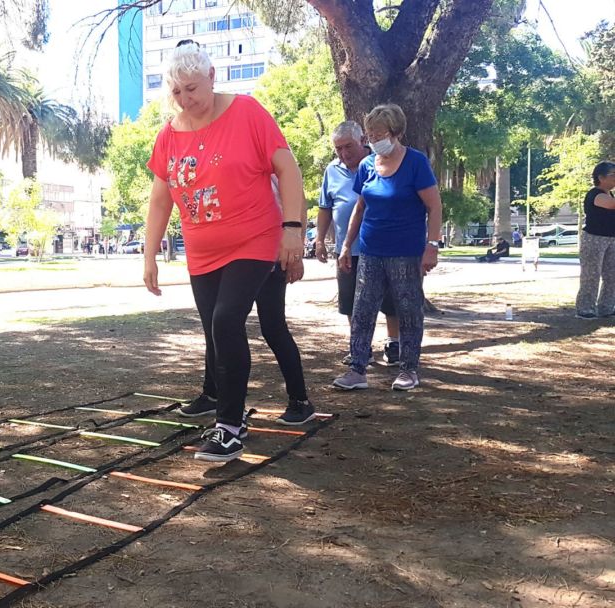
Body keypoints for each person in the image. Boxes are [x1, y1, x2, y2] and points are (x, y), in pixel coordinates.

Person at [143, 41, 312, 463]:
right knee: (215, 334)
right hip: (202, 250)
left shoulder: (248, 112)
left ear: (212, 77)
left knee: (227, 320)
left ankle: (229, 428)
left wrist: (293, 230)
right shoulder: (169, 133)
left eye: (192, 89)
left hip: (254, 239)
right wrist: (149, 255)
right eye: (176, 92)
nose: (185, 99)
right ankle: (225, 413)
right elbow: (161, 199)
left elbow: (287, 168)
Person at [332, 104, 443, 392]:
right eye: (369, 134)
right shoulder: (368, 165)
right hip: (370, 250)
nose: (373, 139)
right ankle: (357, 369)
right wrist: (346, 245)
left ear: (396, 133)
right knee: (362, 309)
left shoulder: (415, 163)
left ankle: (408, 369)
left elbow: (434, 206)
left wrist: (432, 246)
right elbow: (360, 207)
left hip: (406, 251)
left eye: (378, 134)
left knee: (408, 310)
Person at [315, 121, 401, 366]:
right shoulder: (331, 171)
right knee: (350, 300)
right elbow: (325, 207)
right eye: (338, 148)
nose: (344, 153)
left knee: (389, 298)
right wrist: (320, 240)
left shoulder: (380, 163)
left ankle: (393, 342)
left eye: (348, 146)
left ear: (362, 140)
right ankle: (360, 345)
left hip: (380, 246)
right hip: (346, 249)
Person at [575, 161, 615, 319]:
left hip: (612, 239)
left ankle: (606, 306)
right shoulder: (595, 194)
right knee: (591, 274)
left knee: (612, 275)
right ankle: (585, 308)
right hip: (594, 239)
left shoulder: (610, 194)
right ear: (601, 177)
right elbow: (611, 206)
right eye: (613, 175)